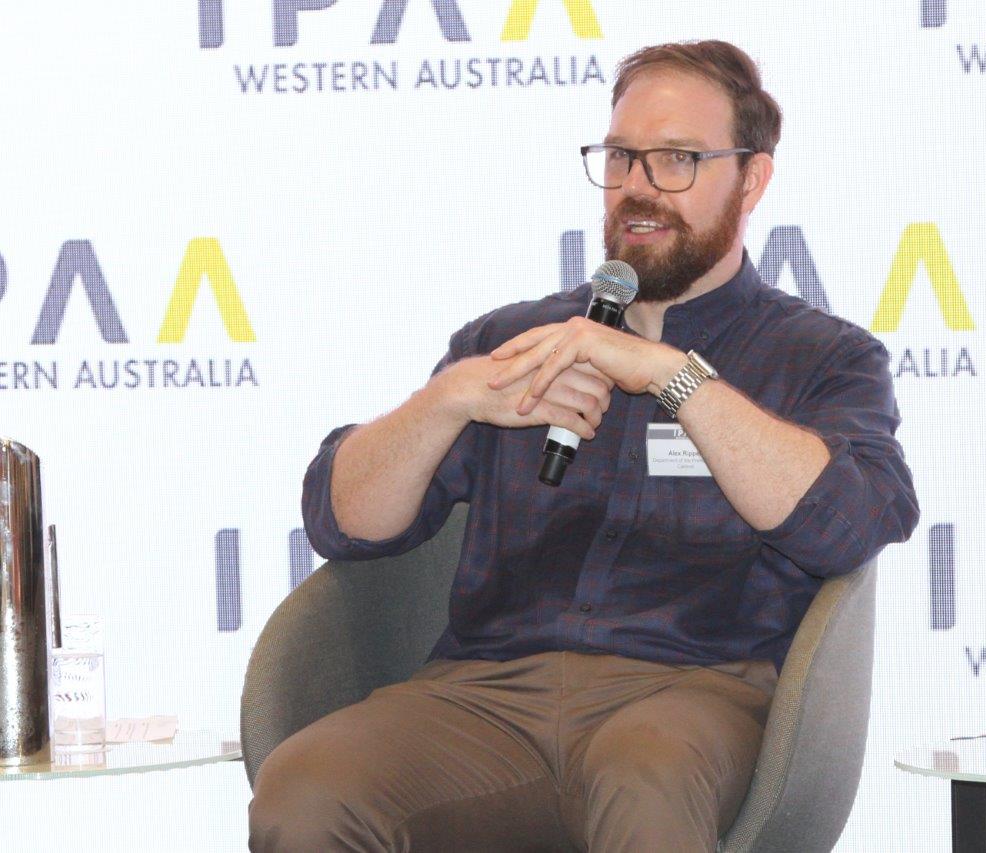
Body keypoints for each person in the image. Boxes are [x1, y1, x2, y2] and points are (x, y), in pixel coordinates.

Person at [249, 39, 919, 852]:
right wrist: (449, 399)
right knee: (307, 789)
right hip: (485, 696)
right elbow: (343, 523)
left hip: (694, 691)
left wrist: (669, 374)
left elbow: (850, 523)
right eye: (621, 157)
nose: (639, 185)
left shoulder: (823, 356)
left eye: (677, 159)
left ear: (752, 179)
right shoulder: (512, 341)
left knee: (644, 774)